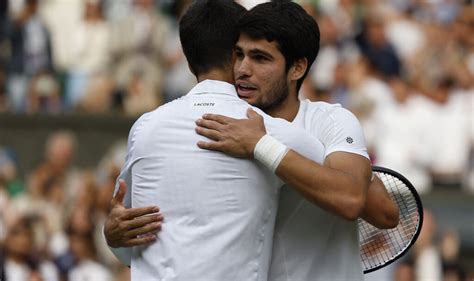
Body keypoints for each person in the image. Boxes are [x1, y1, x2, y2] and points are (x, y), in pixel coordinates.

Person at [104, 1, 399, 280]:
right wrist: (117, 237)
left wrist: (261, 146)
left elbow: (366, 206)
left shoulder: (330, 121)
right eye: (239, 55)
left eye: (260, 58)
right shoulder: (220, 127)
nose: (243, 69)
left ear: (297, 68)